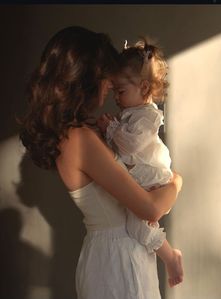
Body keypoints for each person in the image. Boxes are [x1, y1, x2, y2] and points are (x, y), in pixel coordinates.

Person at [19, 26, 182, 299]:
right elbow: (151, 209)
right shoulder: (80, 139)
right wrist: (177, 181)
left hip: (118, 255)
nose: (109, 88)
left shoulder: (79, 133)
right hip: (117, 263)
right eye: (106, 79)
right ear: (86, 79)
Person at [97, 39, 183, 288]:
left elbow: (132, 146)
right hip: (141, 177)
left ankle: (171, 257)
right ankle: (169, 255)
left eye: (120, 91)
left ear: (144, 87)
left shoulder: (147, 116)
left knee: (139, 227)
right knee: (140, 225)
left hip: (150, 177)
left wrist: (110, 128)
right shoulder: (131, 114)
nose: (116, 97)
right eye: (114, 91)